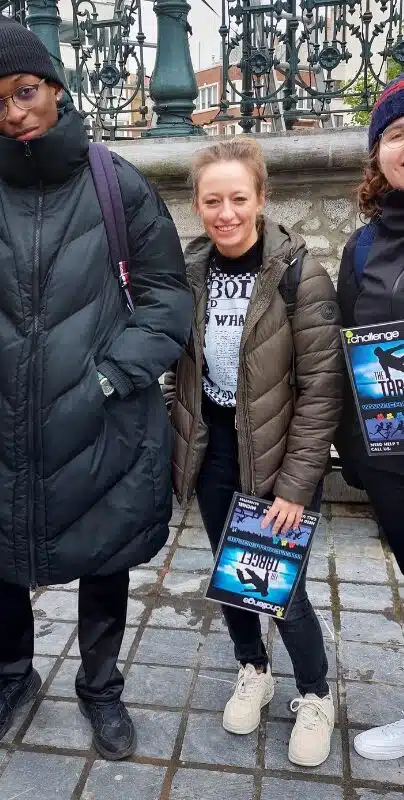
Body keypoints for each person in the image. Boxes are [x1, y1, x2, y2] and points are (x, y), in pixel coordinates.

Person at [0, 14, 192, 761]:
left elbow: (166, 298)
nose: (14, 112)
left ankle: (101, 688)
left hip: (98, 412)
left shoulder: (117, 183)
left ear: (54, 87)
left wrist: (111, 376)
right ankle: (8, 679)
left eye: (25, 91)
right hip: (2, 415)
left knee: (103, 553)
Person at [164, 138, 344, 767]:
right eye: (213, 201)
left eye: (238, 198)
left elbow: (322, 390)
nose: (226, 213)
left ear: (262, 199)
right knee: (232, 577)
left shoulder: (299, 275)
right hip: (213, 449)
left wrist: (296, 485)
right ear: (197, 205)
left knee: (281, 587)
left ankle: (316, 694)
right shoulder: (191, 273)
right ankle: (253, 669)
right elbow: (178, 367)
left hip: (278, 455)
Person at [336, 73, 404, 761]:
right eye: (397, 134)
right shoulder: (360, 249)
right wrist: (356, 451)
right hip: (392, 455)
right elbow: (344, 349)